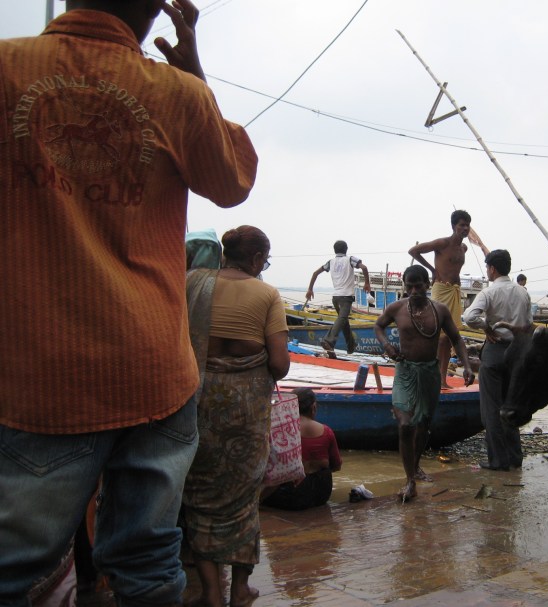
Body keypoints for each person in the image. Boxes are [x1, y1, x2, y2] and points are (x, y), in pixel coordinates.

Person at [0, 1, 258, 605]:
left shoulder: (8, 69)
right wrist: (195, 75)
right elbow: (233, 180)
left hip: (41, 377)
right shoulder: (175, 93)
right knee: (147, 560)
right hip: (155, 374)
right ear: (155, 13)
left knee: (14, 570)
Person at [183, 226, 289, 607]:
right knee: (244, 498)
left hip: (197, 407)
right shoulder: (266, 294)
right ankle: (239, 589)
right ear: (259, 259)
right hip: (245, 416)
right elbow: (279, 364)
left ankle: (210, 591)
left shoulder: (192, 282)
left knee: (199, 495)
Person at [374, 265, 475, 502]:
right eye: (409, 285)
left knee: (423, 424)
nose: (414, 289)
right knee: (405, 424)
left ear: (427, 284)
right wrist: (387, 346)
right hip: (405, 371)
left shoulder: (440, 310)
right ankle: (409, 481)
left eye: (418, 284)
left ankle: (416, 466)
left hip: (429, 373)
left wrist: (467, 365)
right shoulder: (396, 308)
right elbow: (379, 326)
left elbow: (456, 338)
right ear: (405, 286)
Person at [462, 250, 532, 471]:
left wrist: (487, 327)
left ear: (492, 268)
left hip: (495, 351)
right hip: (517, 353)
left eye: (487, 268)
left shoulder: (489, 292)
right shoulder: (523, 293)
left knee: (491, 409)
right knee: (511, 404)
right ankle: (514, 457)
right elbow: (528, 324)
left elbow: (468, 317)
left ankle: (498, 460)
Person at [409, 210, 485, 388]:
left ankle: (442, 380)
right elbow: (414, 251)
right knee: (440, 337)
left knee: (450, 337)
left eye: (467, 225)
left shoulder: (463, 248)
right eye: (461, 225)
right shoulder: (442, 243)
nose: (465, 228)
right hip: (441, 290)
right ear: (453, 226)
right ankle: (436, 379)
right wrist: (432, 270)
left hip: (455, 291)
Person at [260, 387, 343, 511]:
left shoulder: (279, 430)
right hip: (320, 495)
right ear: (313, 407)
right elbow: (336, 465)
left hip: (286, 497)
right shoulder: (327, 431)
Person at [306, 240, 370, 357]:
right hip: (346, 297)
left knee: (343, 320)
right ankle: (329, 341)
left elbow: (315, 273)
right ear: (346, 249)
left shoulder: (330, 262)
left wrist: (310, 289)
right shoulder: (350, 259)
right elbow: (364, 268)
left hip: (335, 298)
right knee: (341, 319)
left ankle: (351, 346)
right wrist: (367, 284)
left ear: (334, 250)